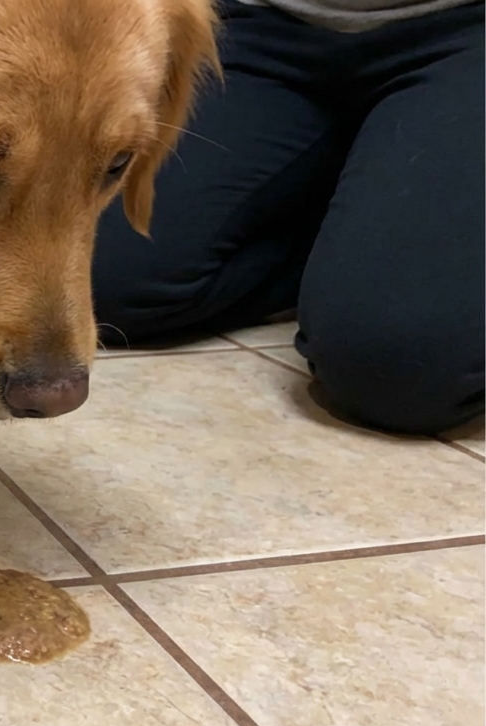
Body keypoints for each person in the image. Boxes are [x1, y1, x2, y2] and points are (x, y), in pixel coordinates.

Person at [92, 0, 484, 436]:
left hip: (468, 30)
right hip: (272, 19)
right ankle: (352, 210)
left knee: (402, 365)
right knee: (112, 280)